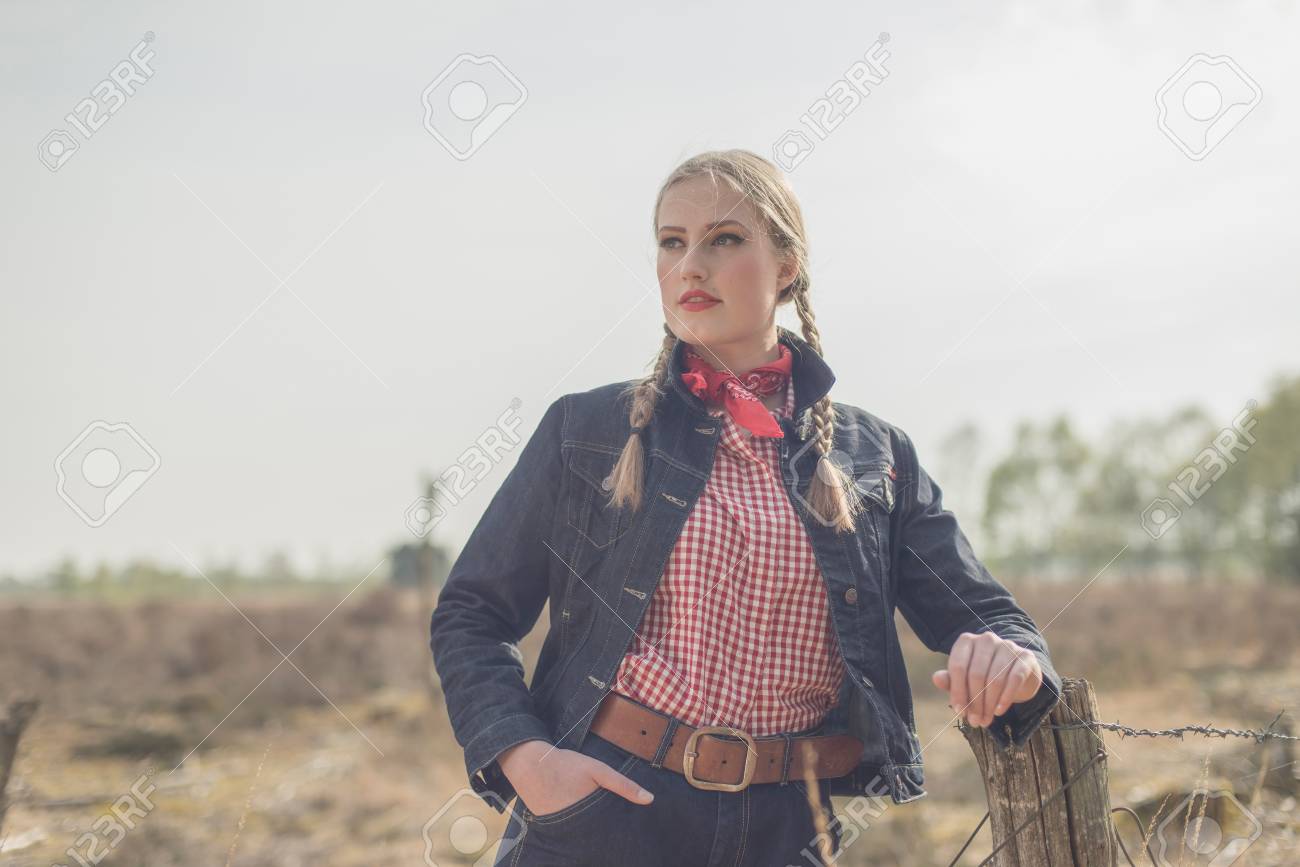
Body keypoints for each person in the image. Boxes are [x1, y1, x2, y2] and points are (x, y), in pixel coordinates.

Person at [429, 149, 1062, 866]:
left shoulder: (872, 453)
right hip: (605, 809)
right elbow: (471, 614)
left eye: (724, 239)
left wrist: (1014, 659)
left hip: (787, 827)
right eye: (672, 241)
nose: (690, 265)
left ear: (787, 264)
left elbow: (990, 618)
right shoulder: (588, 430)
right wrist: (529, 761)